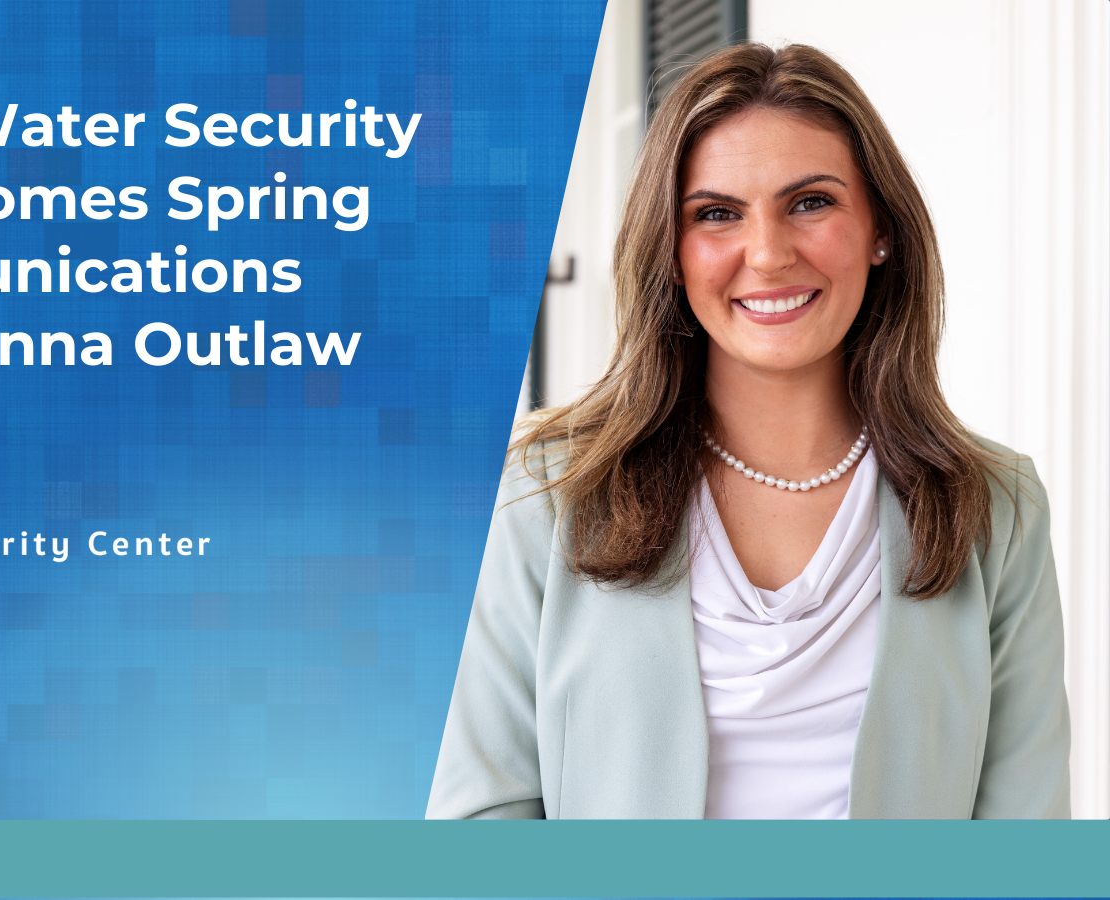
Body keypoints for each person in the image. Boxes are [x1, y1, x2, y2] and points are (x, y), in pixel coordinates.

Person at [426, 43, 1070, 819]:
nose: (767, 254)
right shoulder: (545, 495)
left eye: (810, 202)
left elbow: (1024, 837)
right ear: (670, 251)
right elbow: (482, 815)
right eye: (716, 214)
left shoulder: (997, 509)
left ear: (881, 231)